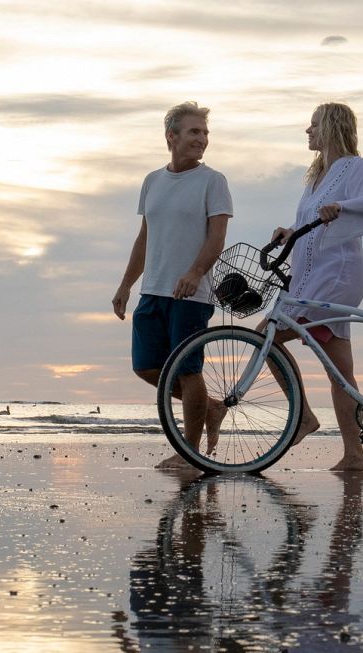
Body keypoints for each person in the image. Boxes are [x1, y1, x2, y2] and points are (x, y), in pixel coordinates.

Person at [113, 101, 232, 469]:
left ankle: (189, 454)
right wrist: (126, 284)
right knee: (146, 366)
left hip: (191, 294)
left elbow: (217, 238)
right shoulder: (153, 181)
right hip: (153, 290)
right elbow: (144, 237)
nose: (202, 139)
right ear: (172, 136)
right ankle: (210, 408)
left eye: (205, 133)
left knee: (187, 370)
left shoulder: (213, 181)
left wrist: (195, 273)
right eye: (195, 131)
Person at [267, 102, 363, 471]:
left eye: (314, 124)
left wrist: (341, 206)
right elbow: (311, 223)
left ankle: (303, 417)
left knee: (267, 336)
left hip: (336, 276)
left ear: (331, 127)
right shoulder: (316, 176)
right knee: (340, 371)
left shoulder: (354, 166)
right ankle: (354, 455)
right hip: (310, 276)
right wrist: (289, 232)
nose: (308, 130)